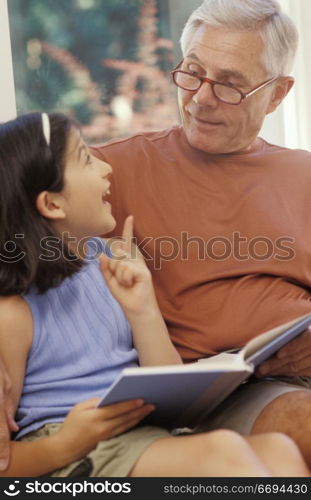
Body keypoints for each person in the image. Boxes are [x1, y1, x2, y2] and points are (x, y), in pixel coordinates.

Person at [0, 112, 308, 477]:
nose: (105, 168)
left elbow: (168, 381)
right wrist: (63, 446)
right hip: (72, 452)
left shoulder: (108, 262)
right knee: (223, 453)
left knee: (278, 450)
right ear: (52, 204)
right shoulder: (13, 313)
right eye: (85, 159)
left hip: (144, 434)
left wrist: (142, 308)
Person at [90, 0, 311, 467]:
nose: (201, 97)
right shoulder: (105, 171)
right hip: (224, 392)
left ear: (277, 94)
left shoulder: (303, 175)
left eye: (230, 84)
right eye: (192, 72)